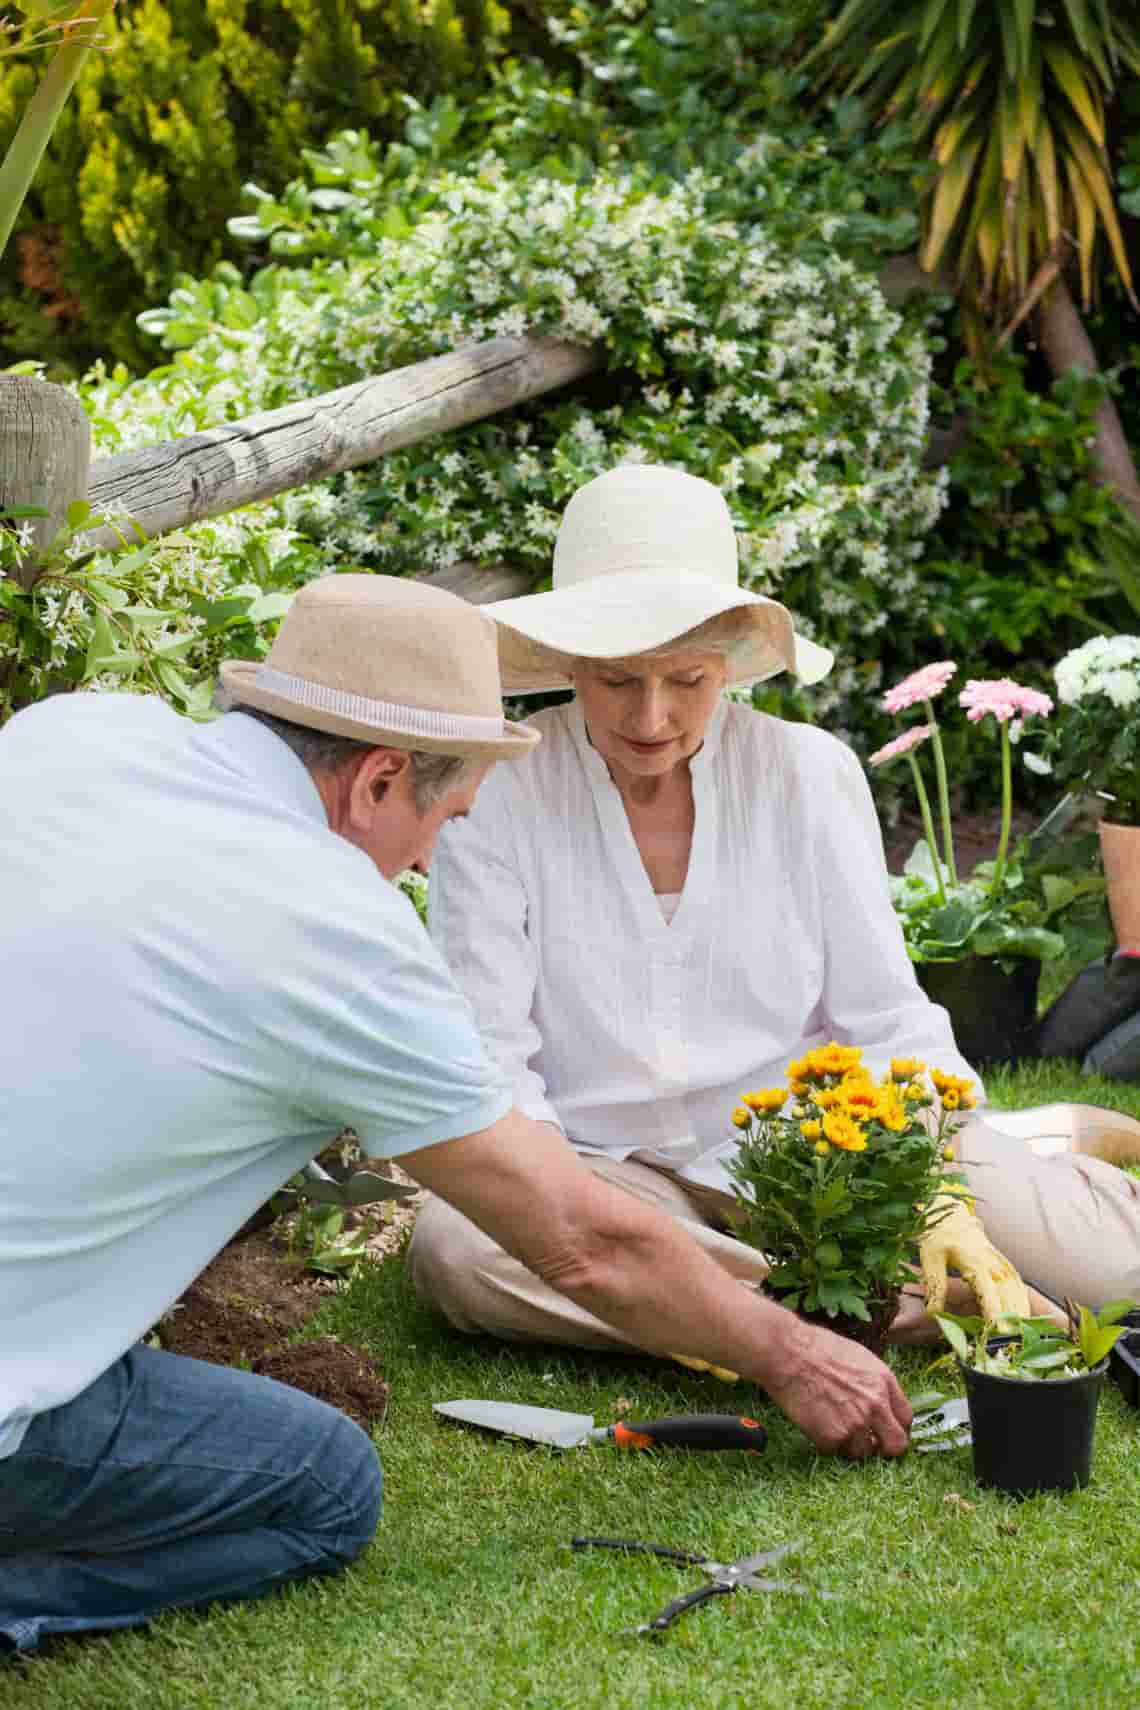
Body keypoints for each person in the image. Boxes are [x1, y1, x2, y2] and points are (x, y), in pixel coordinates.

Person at [0, 573, 915, 1656]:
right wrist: (794, 1357)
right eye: (443, 815)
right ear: (379, 779)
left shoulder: (70, 736)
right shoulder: (334, 932)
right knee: (324, 1484)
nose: (433, 858)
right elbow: (582, 1244)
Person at [408, 465, 1140, 1356]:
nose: (652, 717)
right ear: (566, 664)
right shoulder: (496, 795)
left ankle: (1001, 1182)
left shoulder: (808, 773)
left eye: (686, 680)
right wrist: (581, 1216)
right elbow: (493, 1057)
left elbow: (884, 1017)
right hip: (603, 1170)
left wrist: (938, 1191)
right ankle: (847, 1308)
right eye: (613, 683)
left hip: (825, 1149)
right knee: (458, 1254)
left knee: (1111, 1272)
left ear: (730, 662)